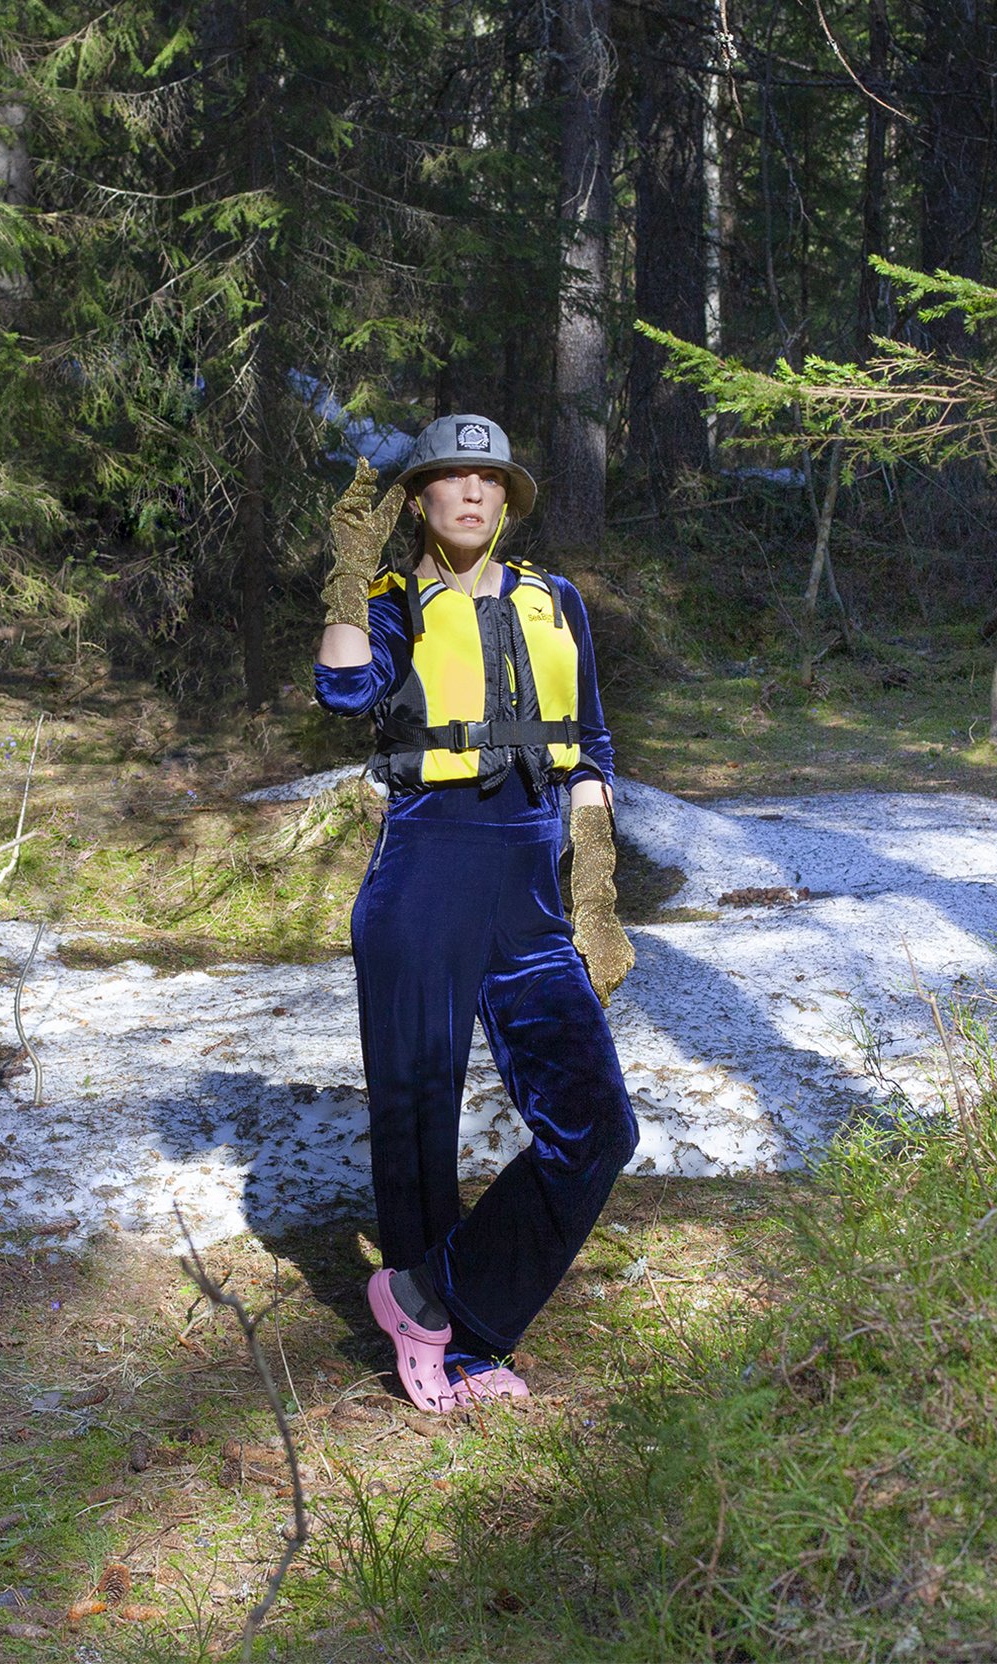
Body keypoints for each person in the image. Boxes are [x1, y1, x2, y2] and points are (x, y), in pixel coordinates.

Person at [314, 414, 638, 1411]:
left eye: (488, 478)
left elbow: (589, 750)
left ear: (507, 500)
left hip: (531, 892)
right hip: (424, 878)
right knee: (417, 1124)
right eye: (450, 477)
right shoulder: (392, 601)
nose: (470, 491)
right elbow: (343, 688)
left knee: (597, 1124)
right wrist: (348, 574)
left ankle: (441, 1301)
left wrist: (595, 888)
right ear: (419, 499)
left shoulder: (557, 601)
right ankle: (448, 1350)